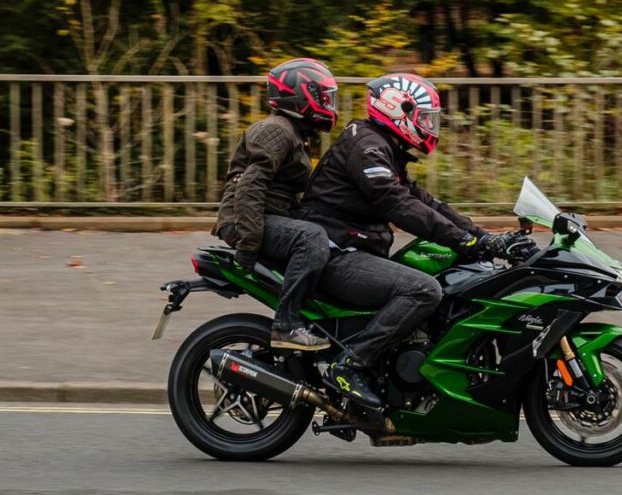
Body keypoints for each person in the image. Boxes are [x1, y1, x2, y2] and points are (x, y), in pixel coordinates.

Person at [300, 73, 508, 408]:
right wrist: (463, 242)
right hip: (336, 254)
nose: (429, 125)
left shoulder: (383, 146)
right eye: (423, 117)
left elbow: (425, 202)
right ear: (398, 110)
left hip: (353, 250)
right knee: (423, 289)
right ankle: (350, 366)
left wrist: (483, 237)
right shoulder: (367, 147)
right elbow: (399, 205)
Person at [212, 58, 339, 351]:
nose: (329, 104)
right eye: (323, 97)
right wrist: (249, 241)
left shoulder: (293, 132)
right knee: (311, 238)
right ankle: (287, 326)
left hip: (265, 216)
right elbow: (249, 186)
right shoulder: (276, 130)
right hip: (245, 222)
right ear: (300, 94)